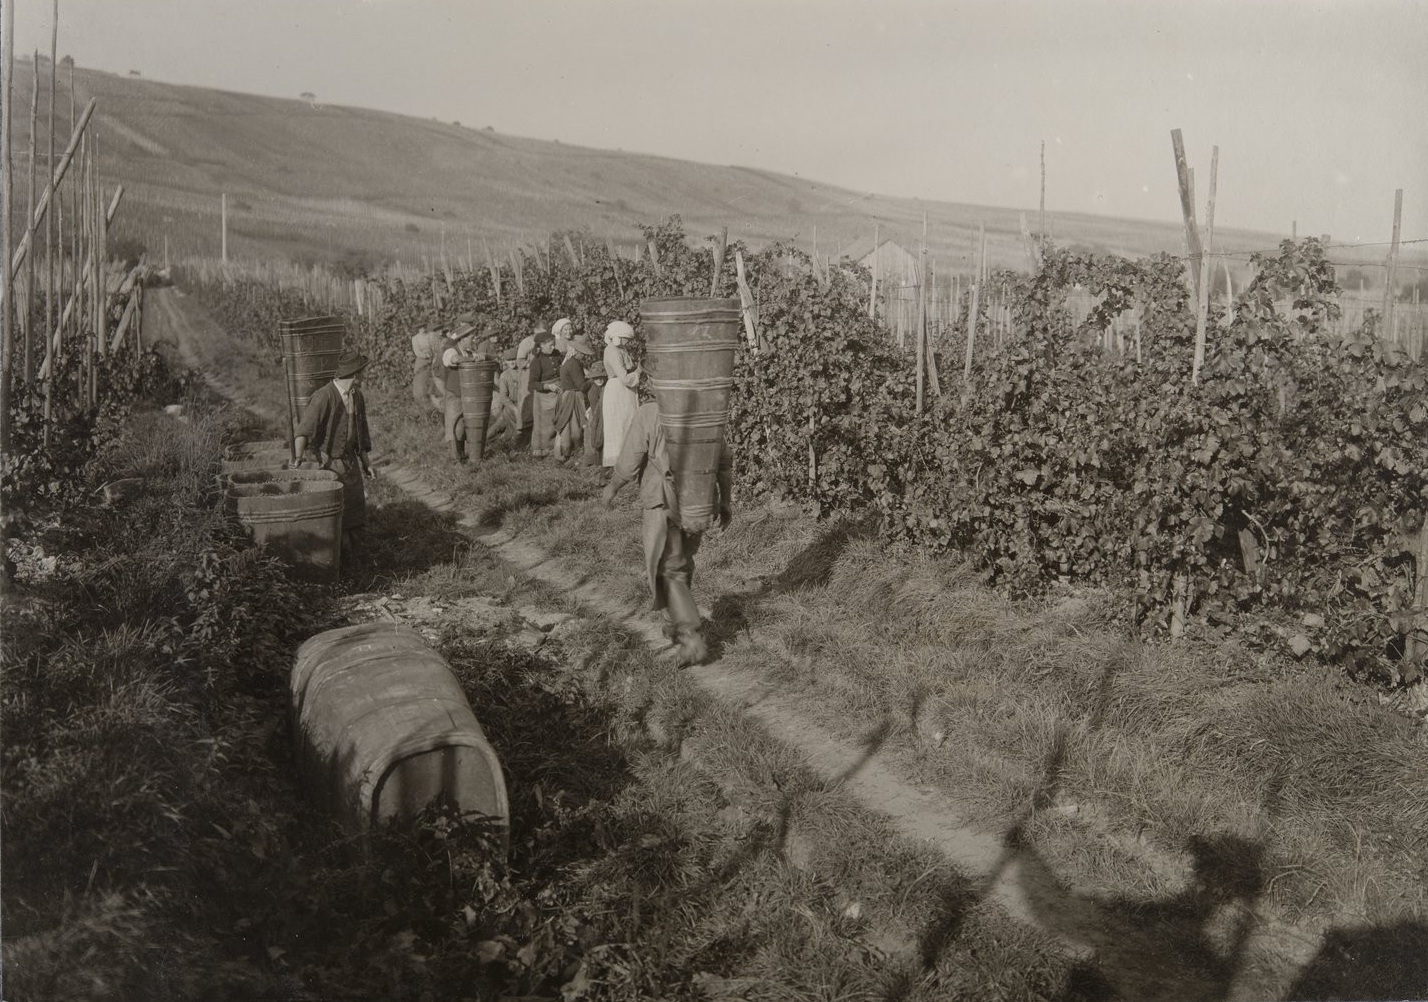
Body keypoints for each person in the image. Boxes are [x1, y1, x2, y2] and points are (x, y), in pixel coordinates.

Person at [602, 399, 733, 667]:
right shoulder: (706, 409)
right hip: (700, 500)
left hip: (664, 500)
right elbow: (723, 462)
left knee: (668, 568)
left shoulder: (651, 412)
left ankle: (690, 638)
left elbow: (630, 461)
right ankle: (675, 620)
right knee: (681, 561)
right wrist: (725, 501)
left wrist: (612, 487)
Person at [292, 350, 375, 558]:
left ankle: (356, 558)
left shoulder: (356, 396)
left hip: (350, 461)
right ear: (355, 375)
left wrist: (367, 463)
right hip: (329, 463)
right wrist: (298, 458)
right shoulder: (324, 396)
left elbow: (362, 433)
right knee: (335, 513)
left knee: (356, 510)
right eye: (362, 372)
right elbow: (304, 430)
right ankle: (338, 557)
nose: (364, 376)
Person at [437, 316, 481, 463]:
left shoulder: (469, 352)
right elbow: (455, 360)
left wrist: (480, 357)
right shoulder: (450, 351)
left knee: (463, 424)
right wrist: (473, 359)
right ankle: (455, 458)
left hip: (467, 394)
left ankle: (462, 455)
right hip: (454, 394)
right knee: (453, 423)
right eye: (471, 338)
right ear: (462, 339)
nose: (473, 340)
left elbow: (478, 358)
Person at [602, 320, 640, 467]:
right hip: (617, 389)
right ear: (618, 336)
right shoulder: (612, 351)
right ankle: (617, 461)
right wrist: (638, 372)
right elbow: (623, 377)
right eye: (626, 339)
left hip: (623, 390)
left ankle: (628, 459)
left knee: (627, 421)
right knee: (618, 424)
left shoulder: (620, 350)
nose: (627, 342)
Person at [554, 336, 595, 460]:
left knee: (569, 425)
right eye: (583, 353)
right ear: (577, 351)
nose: (584, 356)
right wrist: (593, 379)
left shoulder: (569, 362)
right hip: (572, 397)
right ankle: (570, 452)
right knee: (573, 426)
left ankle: (566, 452)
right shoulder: (574, 364)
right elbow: (582, 386)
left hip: (567, 395)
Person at [527, 331, 561, 458]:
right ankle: (542, 450)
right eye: (550, 345)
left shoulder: (557, 355)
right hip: (544, 397)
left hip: (558, 392)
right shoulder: (537, 361)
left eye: (554, 344)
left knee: (558, 419)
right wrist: (548, 386)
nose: (553, 347)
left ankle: (556, 447)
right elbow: (532, 384)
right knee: (545, 425)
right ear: (541, 345)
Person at [486, 347, 523, 446]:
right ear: (505, 361)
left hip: (522, 406)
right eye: (509, 360)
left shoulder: (523, 372)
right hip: (510, 407)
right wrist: (514, 408)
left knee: (515, 433)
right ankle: (479, 443)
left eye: (514, 359)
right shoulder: (504, 376)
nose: (512, 362)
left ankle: (505, 442)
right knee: (494, 430)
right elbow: (503, 397)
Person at [580, 359, 607, 467]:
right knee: (594, 435)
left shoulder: (606, 386)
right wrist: (589, 409)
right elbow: (594, 406)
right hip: (596, 414)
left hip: (603, 412)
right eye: (596, 378)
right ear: (592, 378)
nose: (599, 380)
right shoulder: (592, 389)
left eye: (601, 377)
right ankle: (593, 460)